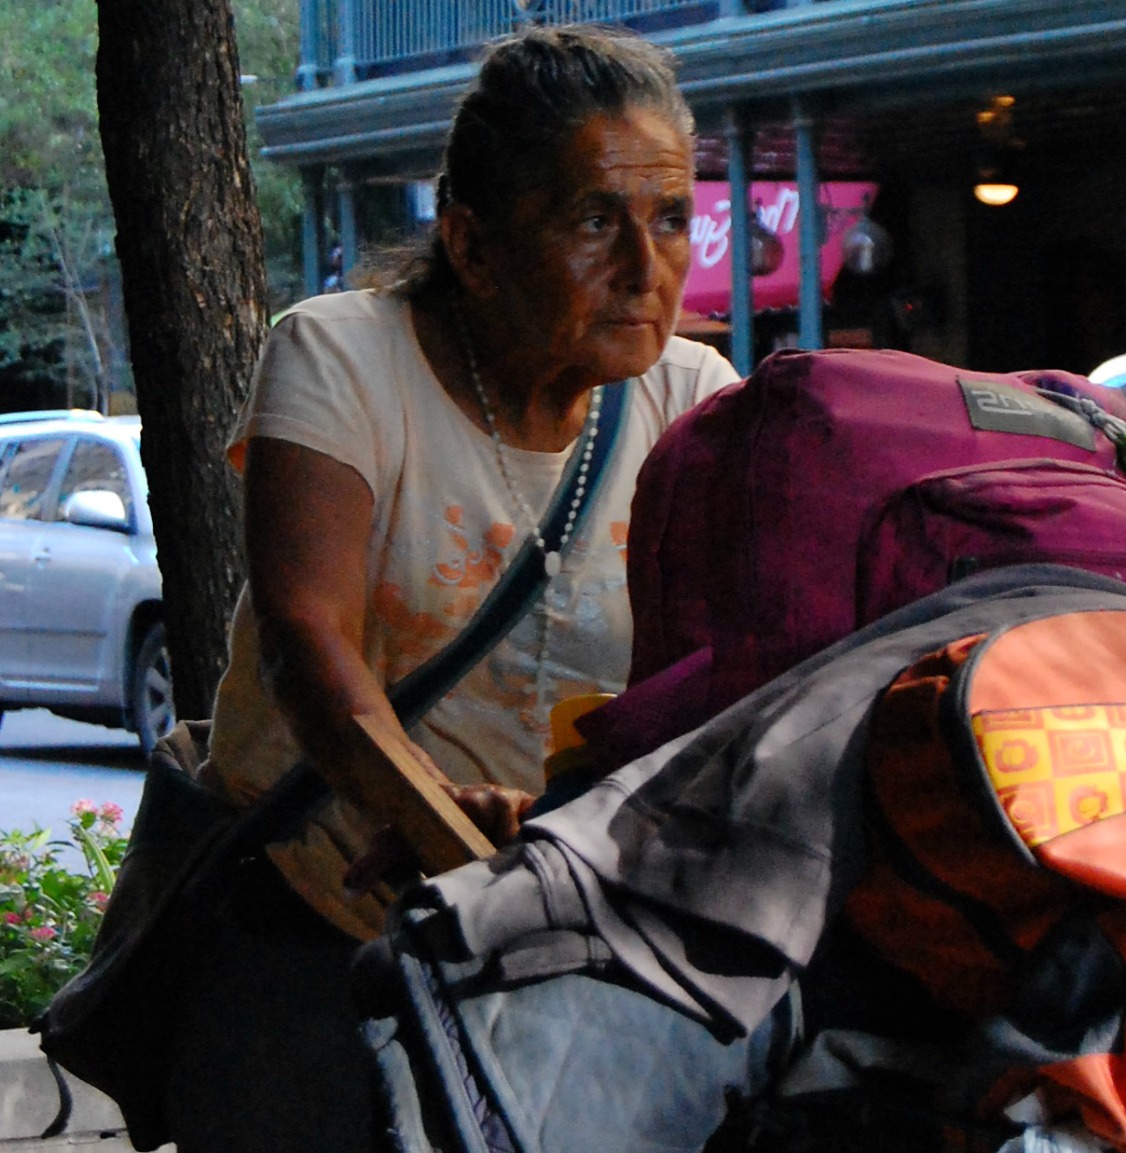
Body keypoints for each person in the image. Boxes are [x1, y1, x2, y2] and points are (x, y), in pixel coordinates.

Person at [170, 25, 738, 1152]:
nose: (646, 266)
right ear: (470, 242)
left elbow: (715, 693)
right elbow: (305, 637)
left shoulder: (696, 398)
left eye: (669, 218)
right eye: (593, 221)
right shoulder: (340, 359)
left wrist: (543, 839)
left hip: (556, 949)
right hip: (316, 936)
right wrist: (438, 831)